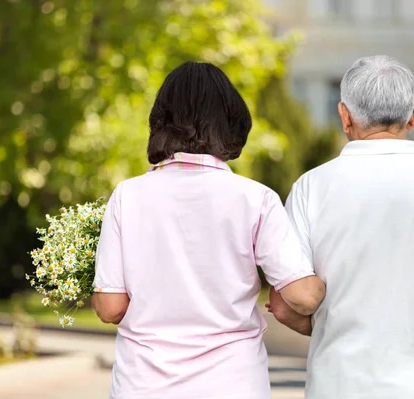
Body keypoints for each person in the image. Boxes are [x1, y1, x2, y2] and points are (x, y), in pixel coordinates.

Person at [268, 55, 414, 399]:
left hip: (341, 386)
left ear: (344, 115)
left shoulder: (310, 188)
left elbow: (285, 303)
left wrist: (330, 325)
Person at [91, 61, 326, 398]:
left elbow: (110, 307)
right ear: (232, 121)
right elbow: (302, 296)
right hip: (232, 383)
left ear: (161, 120)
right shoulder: (255, 199)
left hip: (144, 385)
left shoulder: (128, 196)